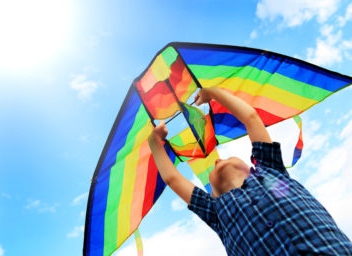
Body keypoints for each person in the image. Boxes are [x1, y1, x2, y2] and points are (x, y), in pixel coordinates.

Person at [148, 87, 352, 256]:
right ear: (213, 194)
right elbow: (172, 177)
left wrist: (213, 93)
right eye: (216, 164)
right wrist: (155, 144)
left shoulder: (270, 170)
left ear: (251, 166)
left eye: (225, 157)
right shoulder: (215, 211)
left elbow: (251, 118)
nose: (218, 159)